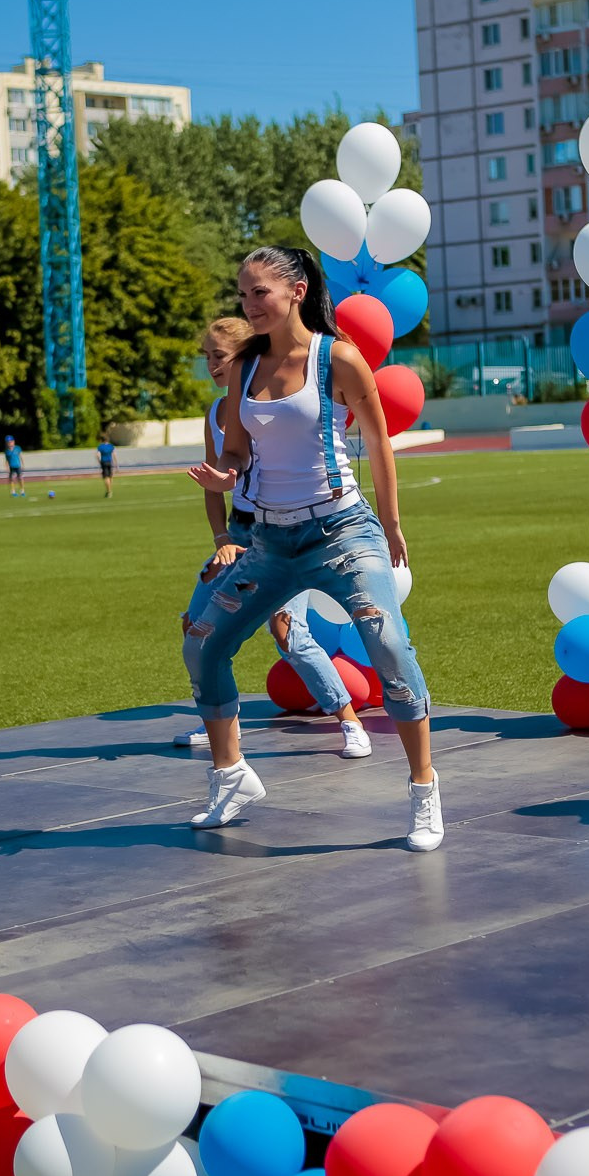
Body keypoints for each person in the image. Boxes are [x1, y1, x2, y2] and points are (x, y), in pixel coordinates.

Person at [184, 246, 439, 850]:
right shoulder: (244, 366)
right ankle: (231, 776)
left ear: (296, 291)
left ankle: (424, 788)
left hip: (342, 533)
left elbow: (378, 443)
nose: (249, 304)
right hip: (271, 540)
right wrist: (228, 478)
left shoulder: (339, 359)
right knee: (202, 642)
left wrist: (394, 524)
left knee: (388, 643)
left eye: (260, 293)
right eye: (243, 294)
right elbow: (239, 449)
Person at [174, 317, 372, 760]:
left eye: (218, 355)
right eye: (206, 356)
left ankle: (349, 722)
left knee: (287, 631)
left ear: (245, 356)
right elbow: (215, 483)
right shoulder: (215, 412)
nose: (210, 364)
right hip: (238, 534)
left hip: (279, 530)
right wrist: (222, 536)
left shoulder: (268, 401)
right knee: (196, 623)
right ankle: (224, 721)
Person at [98, 432, 116, 498]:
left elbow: (97, 455)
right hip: (110, 462)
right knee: (110, 476)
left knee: (106, 477)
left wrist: (99, 462)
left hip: (104, 462)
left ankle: (109, 491)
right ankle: (109, 490)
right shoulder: (111, 446)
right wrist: (116, 464)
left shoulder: (100, 447)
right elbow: (114, 455)